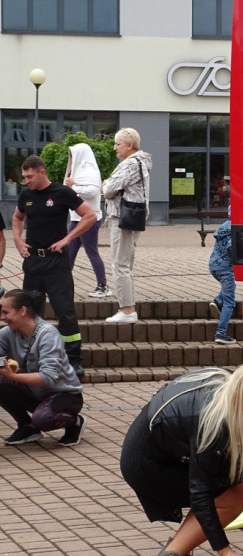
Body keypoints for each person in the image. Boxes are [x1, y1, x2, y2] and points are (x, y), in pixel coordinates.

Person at [120, 362, 243, 556]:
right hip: (146, 466)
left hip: (156, 450)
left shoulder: (228, 388)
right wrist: (226, 553)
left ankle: (180, 554)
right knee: (231, 501)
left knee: (238, 484)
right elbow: (201, 492)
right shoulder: (212, 422)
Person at [12, 155, 97, 377]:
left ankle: (74, 359)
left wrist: (68, 239)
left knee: (65, 311)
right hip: (33, 261)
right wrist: (18, 240)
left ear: (42, 172)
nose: (27, 181)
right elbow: (17, 217)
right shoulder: (26, 195)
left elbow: (90, 215)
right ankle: (31, 357)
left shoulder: (62, 193)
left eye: (30, 176)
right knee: (30, 311)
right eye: (24, 177)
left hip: (57, 261)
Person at [0, 289, 85, 446]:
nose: (2, 317)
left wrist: (12, 376)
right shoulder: (8, 333)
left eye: (5, 312)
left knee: (43, 419)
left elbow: (49, 378)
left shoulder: (47, 334)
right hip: (36, 392)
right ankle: (28, 427)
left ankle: (74, 422)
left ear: (23, 311)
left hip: (64, 394)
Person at [101, 128, 152, 323]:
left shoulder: (130, 164)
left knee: (120, 264)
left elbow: (109, 190)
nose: (115, 148)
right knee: (125, 263)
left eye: (118, 144)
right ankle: (127, 308)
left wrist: (105, 184)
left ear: (129, 145)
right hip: (131, 217)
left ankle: (127, 310)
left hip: (122, 218)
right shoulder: (141, 162)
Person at [64, 142, 112, 298]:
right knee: (69, 252)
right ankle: (62, 284)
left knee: (91, 252)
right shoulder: (76, 172)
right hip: (76, 218)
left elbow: (92, 191)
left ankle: (103, 286)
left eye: (73, 155)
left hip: (90, 218)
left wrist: (73, 186)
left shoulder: (91, 172)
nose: (71, 158)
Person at [208, 205, 236, 344]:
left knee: (228, 289)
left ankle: (218, 301)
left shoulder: (224, 226)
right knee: (230, 302)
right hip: (225, 267)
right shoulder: (236, 228)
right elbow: (231, 246)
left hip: (214, 265)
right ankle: (221, 333)